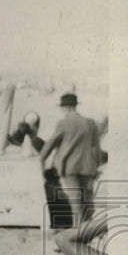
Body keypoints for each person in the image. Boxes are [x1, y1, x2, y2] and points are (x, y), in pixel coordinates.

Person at [39, 93, 102, 227]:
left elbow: (50, 143)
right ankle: (87, 231)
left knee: (75, 203)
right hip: (88, 167)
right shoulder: (90, 123)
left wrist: (41, 158)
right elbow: (97, 148)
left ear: (65, 107)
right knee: (87, 201)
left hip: (70, 168)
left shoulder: (63, 123)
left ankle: (76, 235)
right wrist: (96, 166)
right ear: (75, 105)